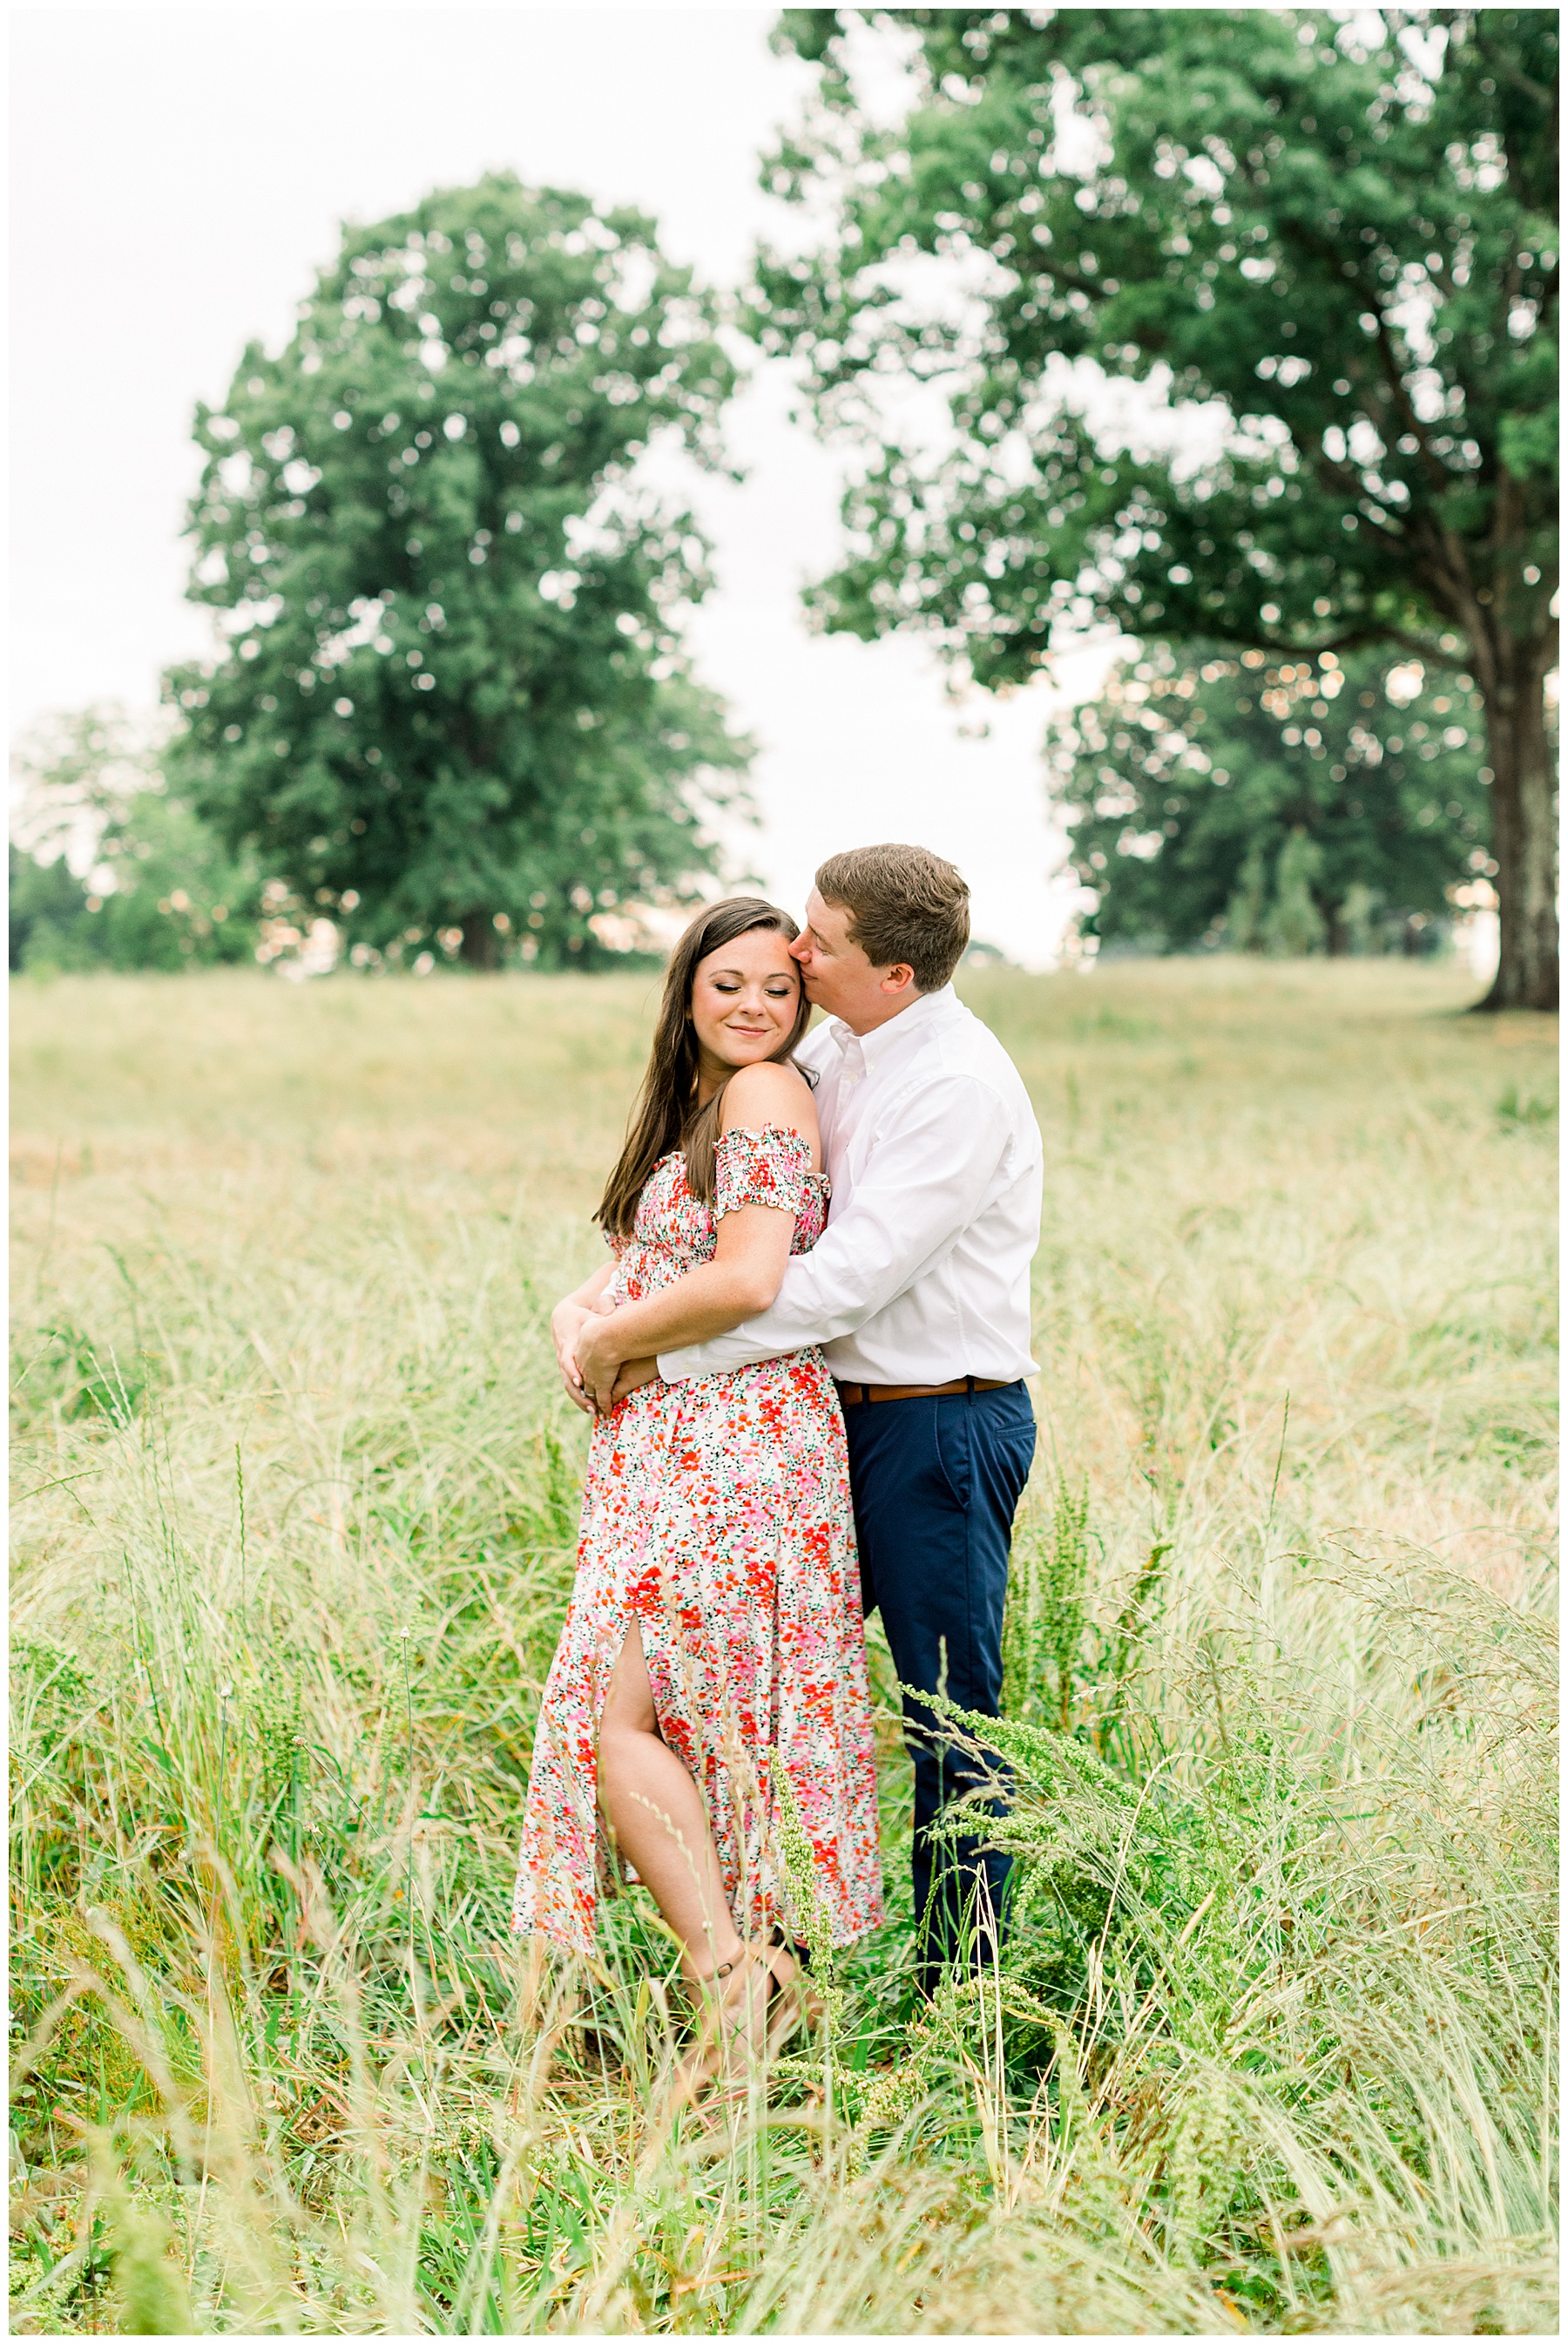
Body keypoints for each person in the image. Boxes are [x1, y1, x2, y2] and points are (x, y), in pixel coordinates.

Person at [576, 844, 1043, 1996]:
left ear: (893, 972)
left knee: (948, 1721)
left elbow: (841, 1283)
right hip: (824, 1421)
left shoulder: (959, 1089)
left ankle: (963, 2007)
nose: (794, 952)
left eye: (819, 943)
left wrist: (655, 1354)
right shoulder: (835, 1042)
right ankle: (763, 1978)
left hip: (941, 1429)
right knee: (764, 1687)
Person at [513, 896, 883, 2090]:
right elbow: (640, 1268)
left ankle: (733, 1981)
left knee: (620, 1714)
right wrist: (582, 1320)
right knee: (678, 1716)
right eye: (729, 984)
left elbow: (748, 1273)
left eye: (779, 988)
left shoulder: (770, 1094)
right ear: (686, 990)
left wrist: (616, 1339)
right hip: (671, 1449)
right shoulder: (700, 1109)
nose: (754, 1007)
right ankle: (740, 1981)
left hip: (735, 1445)